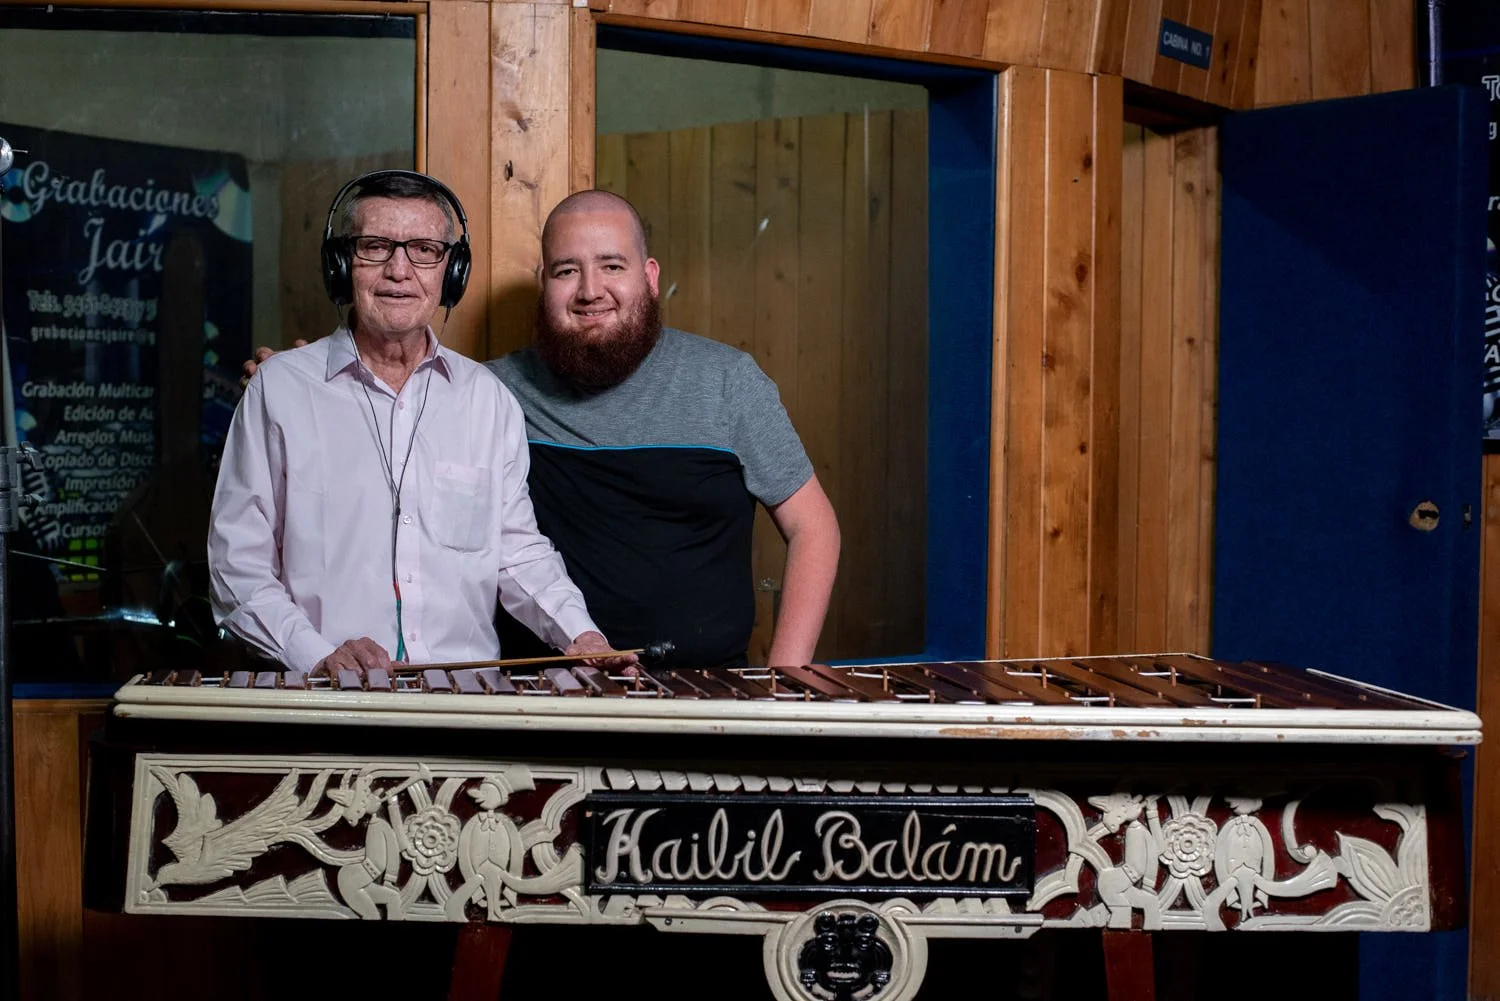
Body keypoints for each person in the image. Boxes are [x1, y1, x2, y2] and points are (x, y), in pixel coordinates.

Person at [247, 187, 839, 669]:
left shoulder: (728, 382)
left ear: (650, 276)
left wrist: (783, 681)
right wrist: (302, 382)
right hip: (547, 694)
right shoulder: (494, 392)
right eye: (566, 271)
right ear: (544, 283)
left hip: (706, 688)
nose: (590, 291)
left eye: (613, 265)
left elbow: (814, 527)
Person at [211, 170, 623, 676]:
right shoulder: (279, 391)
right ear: (341, 266)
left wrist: (580, 634)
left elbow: (516, 551)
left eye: (425, 250)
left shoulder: (488, 402)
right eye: (375, 247)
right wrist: (316, 656)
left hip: (466, 709)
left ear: (451, 272)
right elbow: (238, 567)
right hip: (327, 707)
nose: (399, 271)